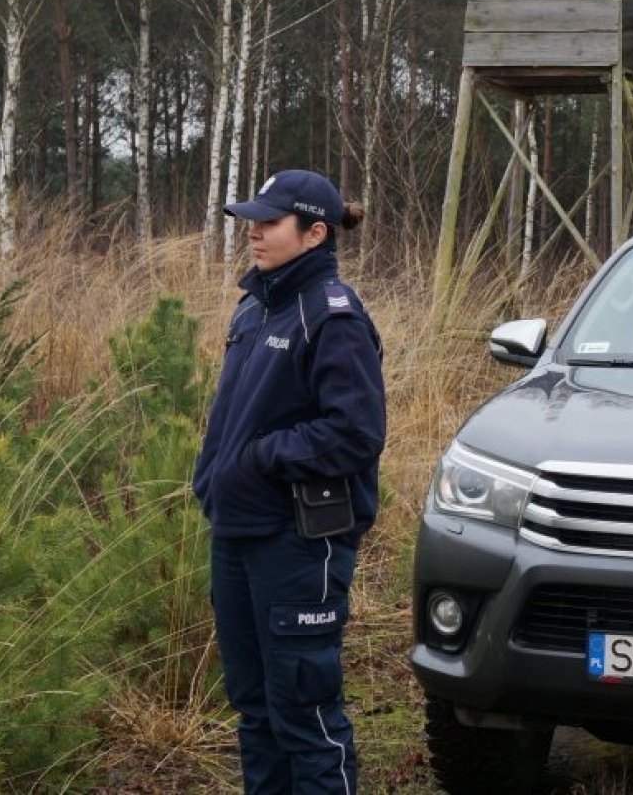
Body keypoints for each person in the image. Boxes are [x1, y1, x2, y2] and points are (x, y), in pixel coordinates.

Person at [192, 169, 387, 795]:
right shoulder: (255, 307)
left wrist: (261, 458)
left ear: (314, 233)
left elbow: (356, 433)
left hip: (299, 541)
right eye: (252, 220)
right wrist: (213, 477)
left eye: (269, 222)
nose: (254, 232)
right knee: (255, 710)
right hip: (238, 533)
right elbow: (236, 417)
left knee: (304, 715)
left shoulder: (333, 317)